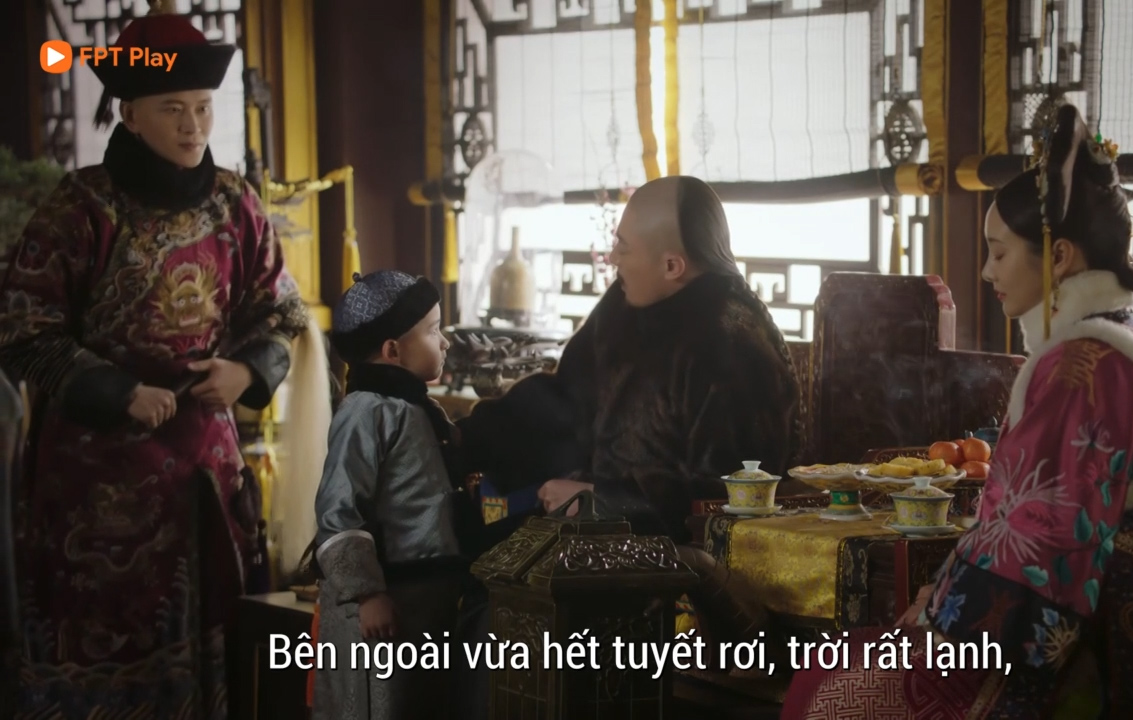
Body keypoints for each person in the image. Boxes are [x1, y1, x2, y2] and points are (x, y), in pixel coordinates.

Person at [780, 104, 1133, 719]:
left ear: (1059, 257)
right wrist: (939, 596)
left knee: (836, 696)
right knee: (834, 664)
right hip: (1071, 600)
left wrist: (939, 616)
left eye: (999, 254)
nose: (985, 271)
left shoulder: (1083, 368)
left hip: (1080, 637)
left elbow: (1043, 538)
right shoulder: (1101, 344)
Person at [0, 3, 311, 717]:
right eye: (173, 109)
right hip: (95, 475)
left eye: (202, 107)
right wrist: (118, 392)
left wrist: (248, 372)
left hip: (206, 461)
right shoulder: (80, 206)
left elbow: (282, 311)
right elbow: (21, 327)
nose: (193, 125)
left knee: (219, 630)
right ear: (130, 115)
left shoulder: (234, 202)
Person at [461, 174, 802, 538]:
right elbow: (563, 402)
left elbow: (736, 497)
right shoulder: (628, 304)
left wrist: (604, 501)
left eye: (623, 247)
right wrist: (457, 441)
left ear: (672, 266)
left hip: (668, 554)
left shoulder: (733, 343)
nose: (612, 259)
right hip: (586, 529)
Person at [310, 271, 469, 720]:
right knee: (379, 703)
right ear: (392, 351)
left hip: (425, 594)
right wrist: (367, 594)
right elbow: (339, 510)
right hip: (383, 603)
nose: (445, 342)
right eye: (433, 330)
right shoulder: (365, 411)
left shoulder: (419, 408)